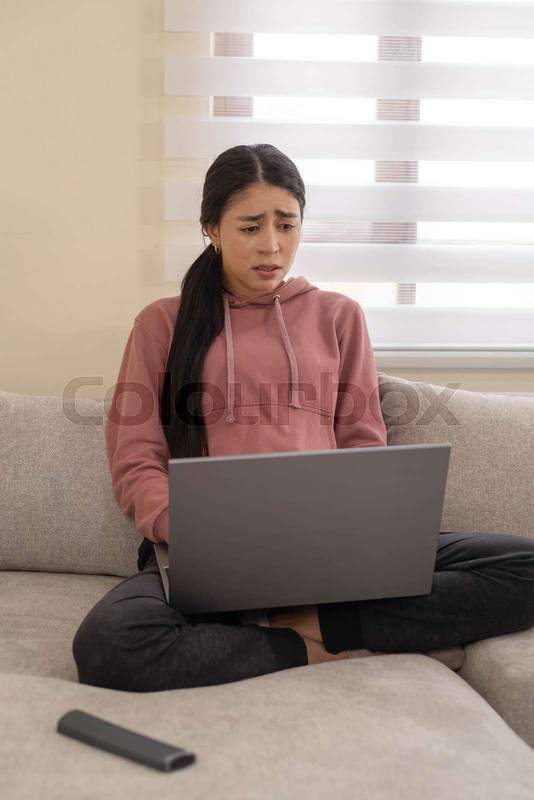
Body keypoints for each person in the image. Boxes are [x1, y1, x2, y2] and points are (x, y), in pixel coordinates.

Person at [72, 143, 534, 692]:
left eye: (286, 225)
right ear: (211, 229)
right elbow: (136, 459)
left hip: (331, 545)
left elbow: (363, 441)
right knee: (108, 644)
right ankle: (301, 647)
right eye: (249, 227)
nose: (271, 246)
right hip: (211, 548)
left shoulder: (339, 316)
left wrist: (365, 532)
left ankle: (328, 623)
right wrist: (191, 530)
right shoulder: (162, 324)